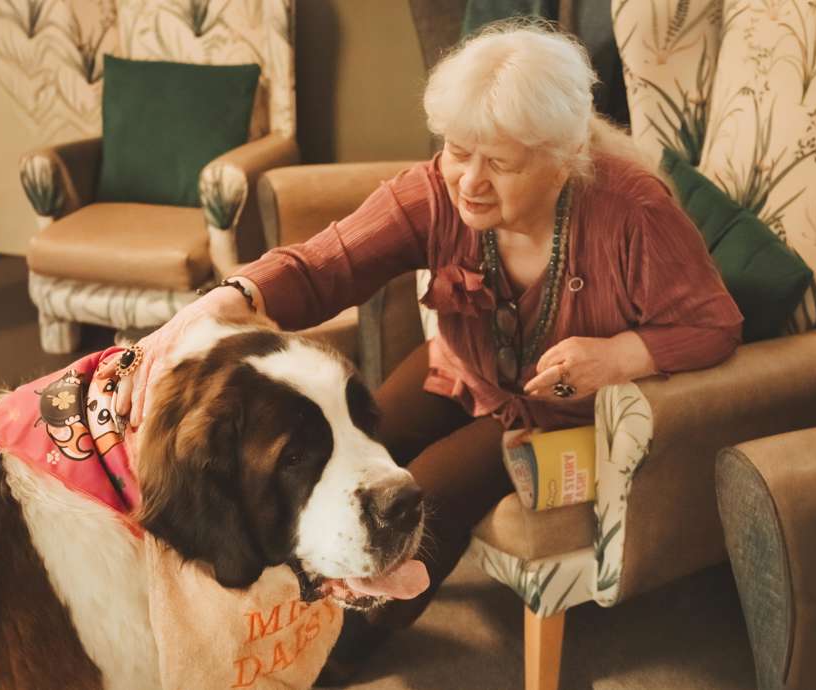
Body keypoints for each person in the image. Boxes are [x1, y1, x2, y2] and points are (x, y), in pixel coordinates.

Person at [98, 20, 743, 685]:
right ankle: (285, 608)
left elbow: (715, 324)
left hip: (556, 415)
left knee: (425, 491)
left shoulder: (634, 211)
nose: (469, 180)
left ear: (562, 154)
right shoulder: (436, 190)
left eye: (500, 161)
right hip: (462, 370)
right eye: (459, 151)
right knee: (358, 440)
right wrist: (230, 295)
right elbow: (327, 263)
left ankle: (343, 652)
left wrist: (622, 356)